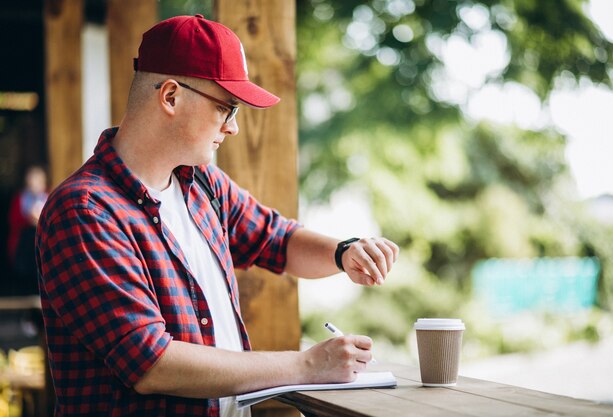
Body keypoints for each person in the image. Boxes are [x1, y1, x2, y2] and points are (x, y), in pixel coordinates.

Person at [36, 14, 399, 417]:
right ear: (170, 97)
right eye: (226, 108)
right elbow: (151, 364)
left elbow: (276, 239)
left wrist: (344, 252)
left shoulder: (203, 184)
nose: (233, 128)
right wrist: (309, 365)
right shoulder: (86, 211)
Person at [7, 165, 48, 295]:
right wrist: (28, 220)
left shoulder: (49, 197)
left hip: (42, 244)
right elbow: (13, 221)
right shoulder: (20, 199)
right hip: (24, 247)